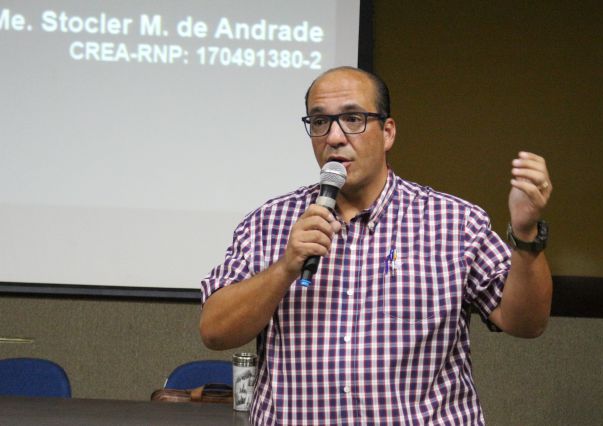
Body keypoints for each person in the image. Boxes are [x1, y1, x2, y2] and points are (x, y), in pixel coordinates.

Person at [200, 66, 553, 425]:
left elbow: (526, 323)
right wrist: (285, 267)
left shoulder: (455, 221)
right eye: (320, 122)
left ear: (388, 132)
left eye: (353, 119)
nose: (334, 136)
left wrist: (526, 234)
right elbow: (214, 331)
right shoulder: (269, 222)